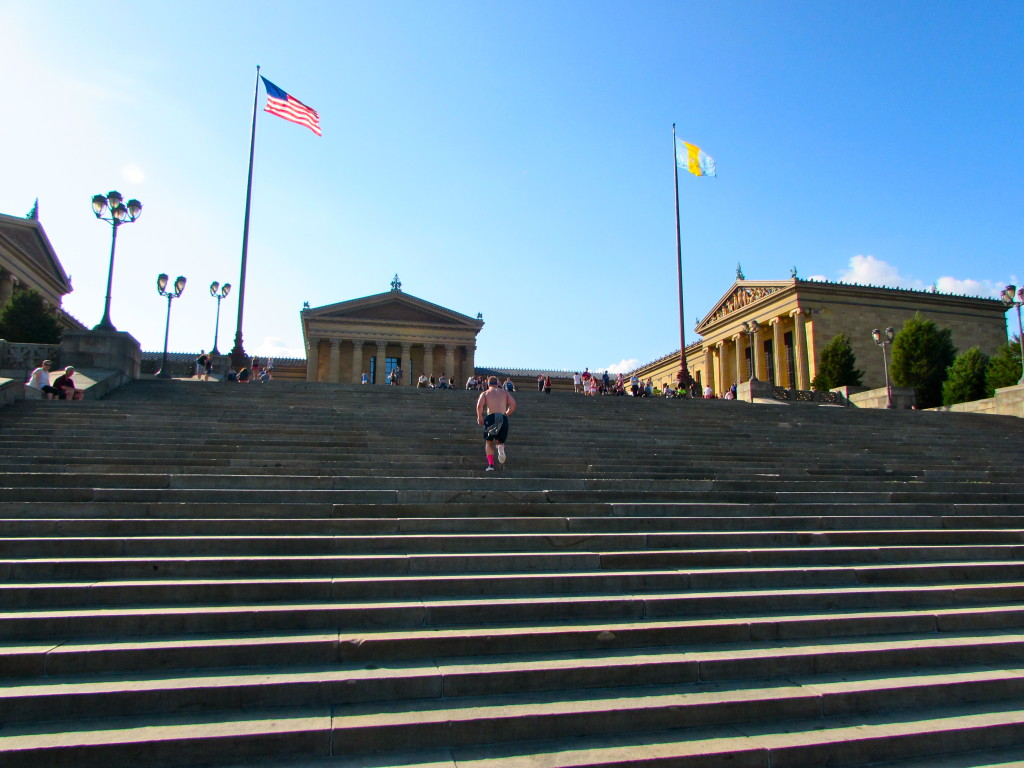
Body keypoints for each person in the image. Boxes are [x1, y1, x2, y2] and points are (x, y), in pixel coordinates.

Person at [476, 375, 516, 471]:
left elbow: (479, 406)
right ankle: (500, 448)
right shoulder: (504, 392)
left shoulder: (485, 393)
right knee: (500, 441)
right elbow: (513, 404)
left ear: (488, 384)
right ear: (497, 383)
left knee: (489, 442)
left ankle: (491, 465)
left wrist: (480, 417)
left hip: (491, 417)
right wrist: (506, 413)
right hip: (502, 417)